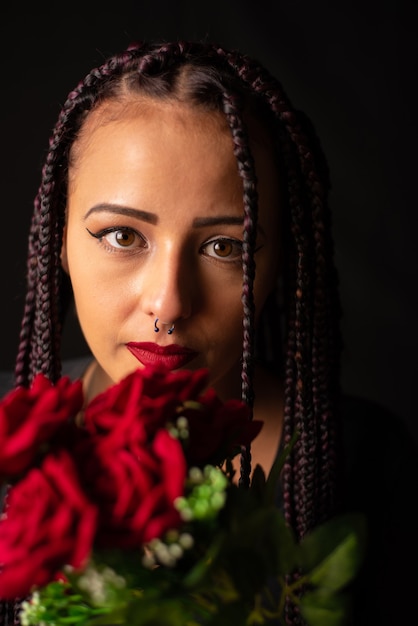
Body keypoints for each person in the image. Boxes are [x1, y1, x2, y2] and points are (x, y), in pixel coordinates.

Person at [0, 40, 417, 626]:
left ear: (280, 262)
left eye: (226, 247)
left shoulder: (369, 464)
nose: (169, 303)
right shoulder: (6, 439)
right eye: (122, 236)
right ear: (58, 242)